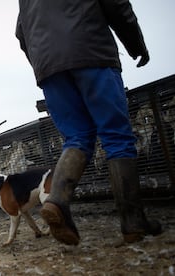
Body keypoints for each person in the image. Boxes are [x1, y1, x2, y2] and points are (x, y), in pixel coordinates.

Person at [15, 0, 162, 245]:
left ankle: (57, 202)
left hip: (49, 68)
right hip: (91, 53)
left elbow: (22, 32)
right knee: (116, 136)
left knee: (76, 137)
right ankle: (133, 221)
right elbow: (116, 5)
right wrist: (135, 44)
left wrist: (45, 62)